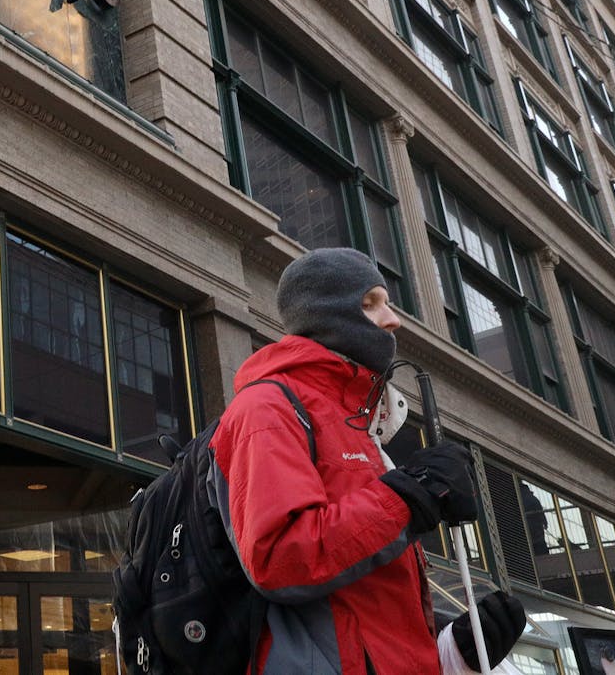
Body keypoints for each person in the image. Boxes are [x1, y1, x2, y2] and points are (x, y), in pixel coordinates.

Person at [209, 247, 526, 675]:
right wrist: (408, 497)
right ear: (325, 314)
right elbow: (279, 558)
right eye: (370, 304)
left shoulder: (361, 427)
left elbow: (367, 612)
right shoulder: (266, 407)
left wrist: (456, 654)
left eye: (388, 303)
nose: (392, 319)